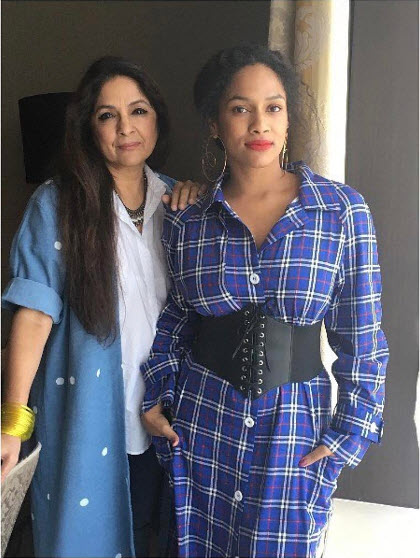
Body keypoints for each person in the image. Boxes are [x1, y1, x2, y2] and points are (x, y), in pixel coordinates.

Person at [140, 45, 389, 558]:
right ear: (215, 123)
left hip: (294, 439)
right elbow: (176, 320)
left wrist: (348, 436)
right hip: (202, 430)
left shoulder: (340, 213)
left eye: (273, 107)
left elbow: (362, 340)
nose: (259, 123)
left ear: (289, 118)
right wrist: (157, 397)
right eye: (240, 108)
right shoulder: (189, 219)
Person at [1, 56, 206, 558]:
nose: (125, 128)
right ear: (88, 128)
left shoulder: (181, 205)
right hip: (89, 417)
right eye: (106, 115)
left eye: (138, 111)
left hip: (172, 416)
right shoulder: (57, 204)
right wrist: (11, 425)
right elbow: (34, 314)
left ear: (157, 119)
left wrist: (200, 199)